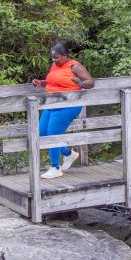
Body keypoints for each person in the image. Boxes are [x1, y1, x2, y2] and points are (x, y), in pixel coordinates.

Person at [32, 43, 95, 179]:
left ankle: (55, 168)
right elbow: (55, 82)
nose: (54, 60)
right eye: (53, 58)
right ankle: (68, 154)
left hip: (68, 105)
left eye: (57, 58)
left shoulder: (75, 66)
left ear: (65, 56)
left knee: (53, 134)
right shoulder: (55, 66)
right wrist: (41, 83)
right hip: (52, 103)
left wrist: (80, 83)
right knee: (42, 132)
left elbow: (91, 82)